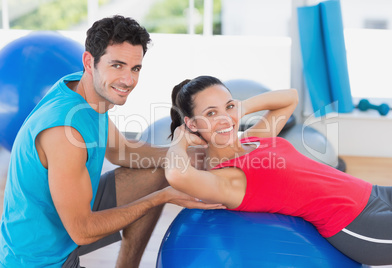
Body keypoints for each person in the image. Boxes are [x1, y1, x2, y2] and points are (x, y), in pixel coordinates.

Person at [0, 16, 225, 268]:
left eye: (135, 68)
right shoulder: (64, 132)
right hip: (41, 260)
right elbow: (82, 231)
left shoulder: (84, 88)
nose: (128, 80)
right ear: (89, 62)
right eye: (117, 65)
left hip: (67, 218)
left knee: (156, 172)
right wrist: (160, 198)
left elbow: (121, 151)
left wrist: (186, 150)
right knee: (151, 191)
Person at [165, 75, 392, 266]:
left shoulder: (255, 138)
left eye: (228, 106)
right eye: (210, 113)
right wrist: (179, 139)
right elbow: (177, 174)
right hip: (358, 224)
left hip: (376, 193)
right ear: (192, 124)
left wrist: (240, 108)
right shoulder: (227, 177)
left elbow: (290, 98)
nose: (225, 119)